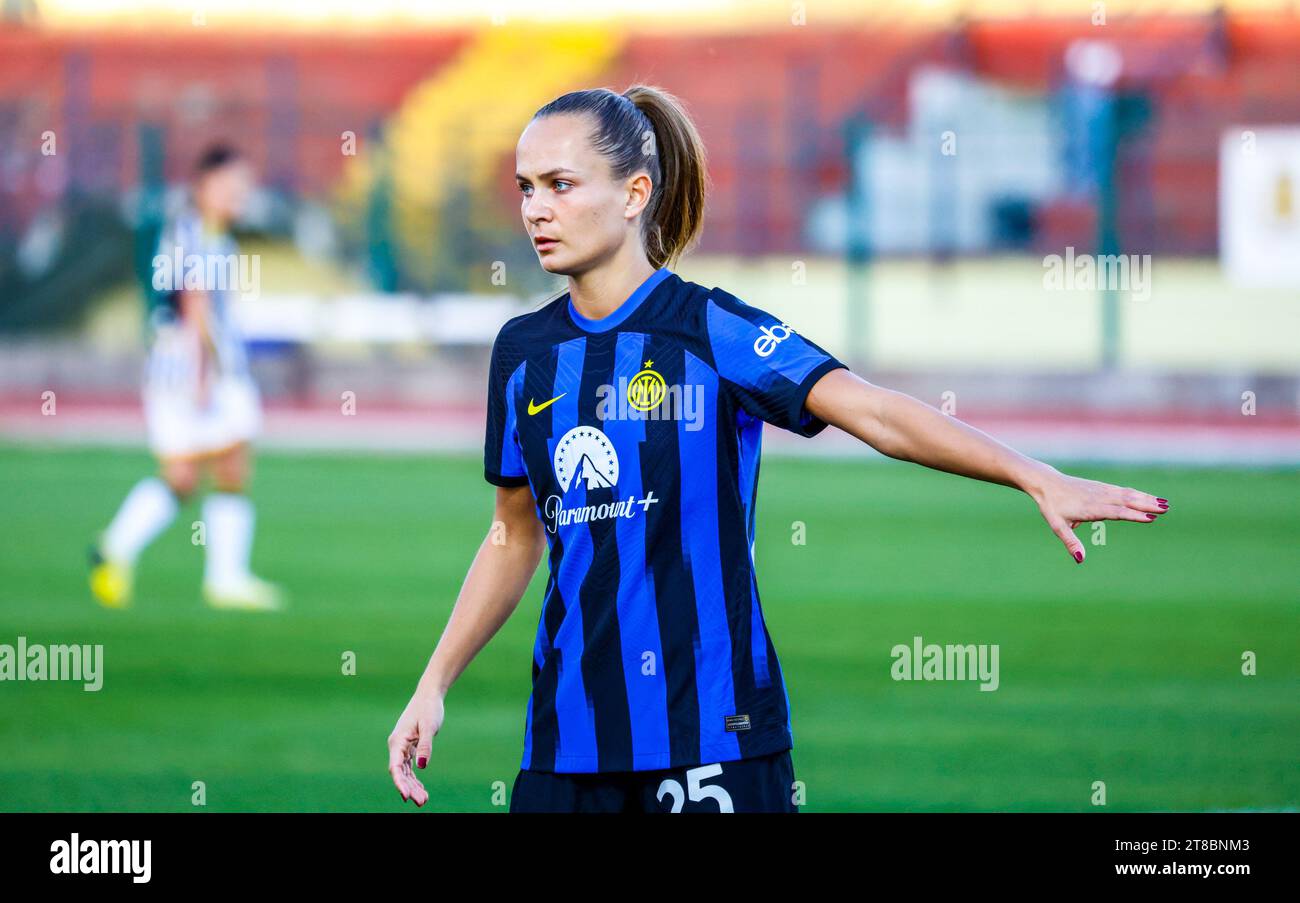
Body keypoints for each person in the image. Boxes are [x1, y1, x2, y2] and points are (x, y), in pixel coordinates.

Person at [386, 86, 1170, 813]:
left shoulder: (712, 329)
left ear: (634, 194)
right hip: (567, 743)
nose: (536, 210)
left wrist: (1032, 475)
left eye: (561, 184)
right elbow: (514, 532)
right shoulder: (523, 352)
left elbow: (875, 412)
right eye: (526, 187)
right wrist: (433, 683)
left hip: (715, 739)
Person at [89, 144, 282, 612]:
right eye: (229, 185)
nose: (239, 195)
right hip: (195, 370)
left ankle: (115, 546)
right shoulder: (197, 234)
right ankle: (225, 578)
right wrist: (203, 374)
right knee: (230, 463)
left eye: (243, 187)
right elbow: (193, 303)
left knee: (182, 476)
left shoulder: (204, 232)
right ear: (203, 186)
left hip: (176, 369)